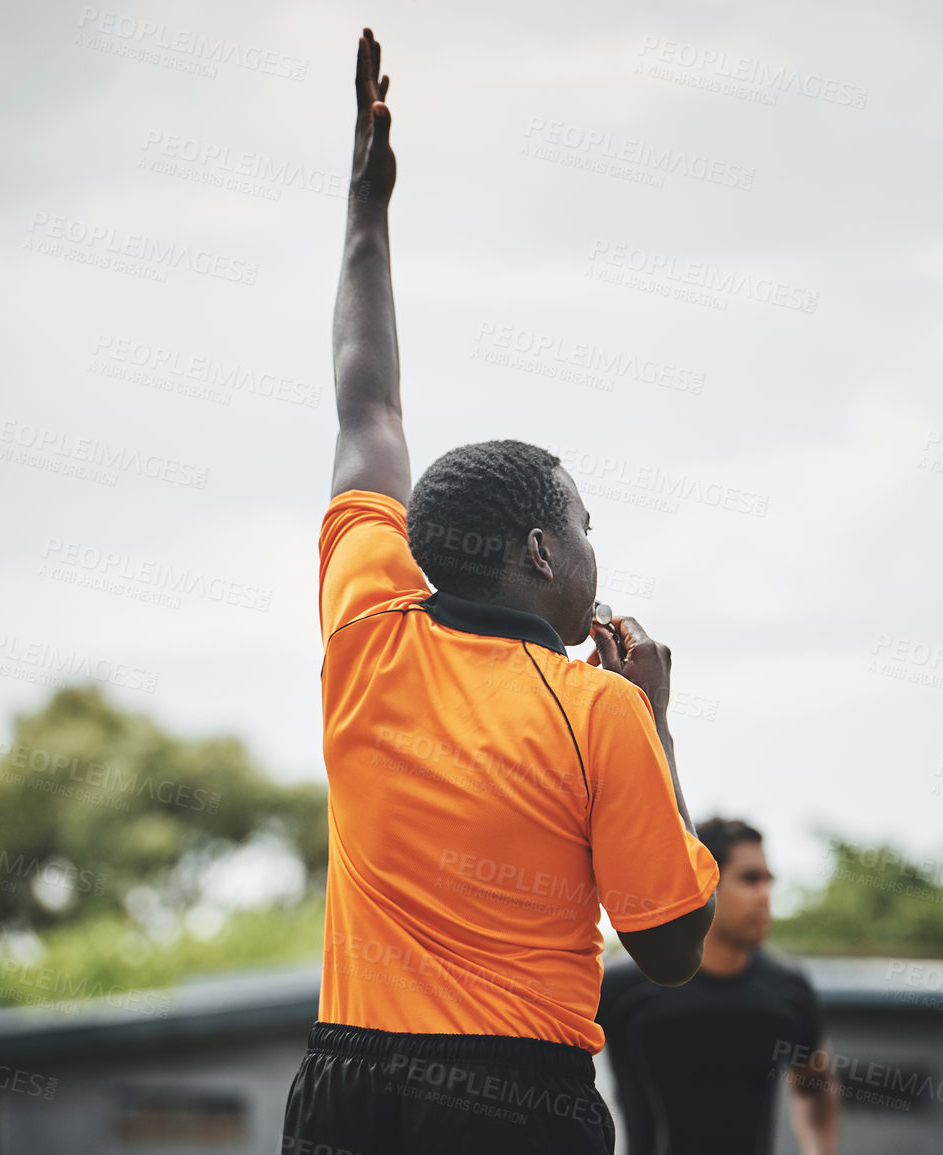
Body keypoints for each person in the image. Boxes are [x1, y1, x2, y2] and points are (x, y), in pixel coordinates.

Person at [280, 29, 721, 1155]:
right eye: (581, 526)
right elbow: (672, 946)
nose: (590, 549)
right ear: (536, 547)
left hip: (345, 1086)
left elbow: (365, 408)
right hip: (514, 1102)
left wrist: (364, 211)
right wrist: (660, 727)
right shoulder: (599, 709)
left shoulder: (366, 622)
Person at [598, 818, 842, 1155]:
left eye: (768, 881)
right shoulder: (626, 988)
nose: (765, 896)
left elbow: (816, 1087)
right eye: (749, 879)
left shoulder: (787, 989)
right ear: (705, 882)